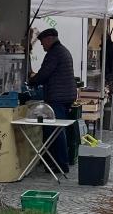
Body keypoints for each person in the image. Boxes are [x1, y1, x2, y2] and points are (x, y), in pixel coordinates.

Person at [28, 28, 77, 173]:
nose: (42, 46)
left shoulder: (54, 53)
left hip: (58, 97)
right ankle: (56, 162)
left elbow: (44, 74)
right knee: (56, 130)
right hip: (64, 95)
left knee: (55, 131)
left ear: (49, 39)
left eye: (43, 43)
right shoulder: (62, 50)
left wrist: (31, 81)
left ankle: (61, 164)